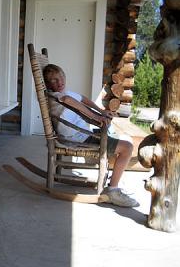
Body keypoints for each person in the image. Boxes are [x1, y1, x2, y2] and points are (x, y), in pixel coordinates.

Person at [43, 63, 139, 208]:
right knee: (127, 147)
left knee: (121, 137)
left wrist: (101, 111)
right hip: (78, 139)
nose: (59, 81)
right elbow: (70, 101)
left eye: (61, 77)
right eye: (54, 80)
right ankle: (113, 190)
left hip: (83, 134)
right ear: (48, 84)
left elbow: (82, 99)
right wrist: (97, 117)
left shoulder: (65, 92)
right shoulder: (56, 96)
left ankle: (112, 177)